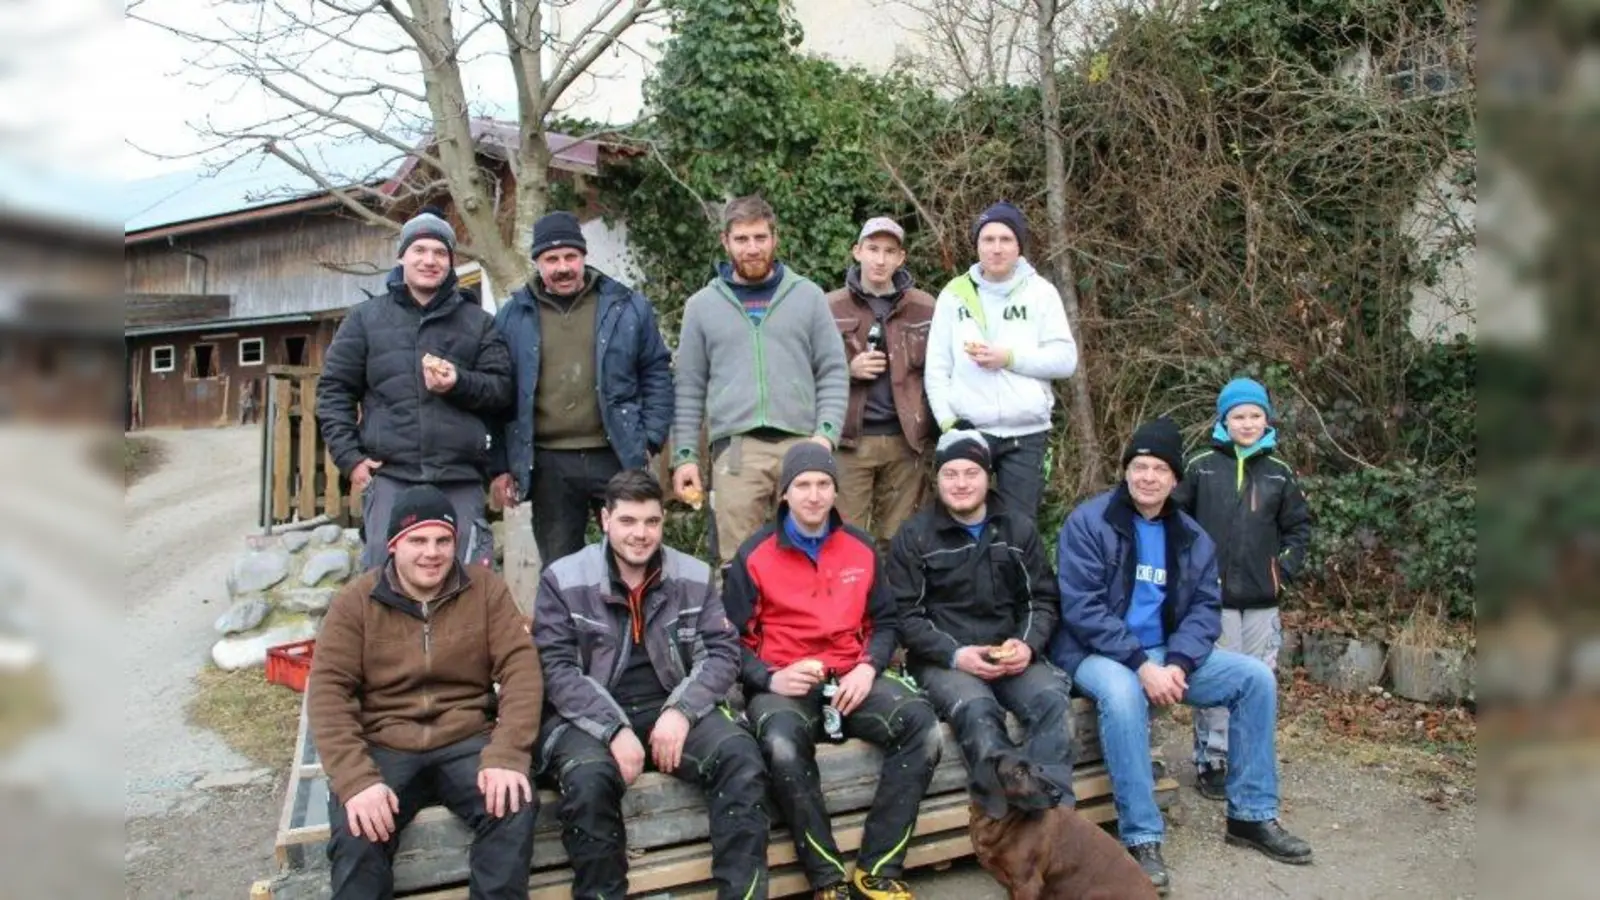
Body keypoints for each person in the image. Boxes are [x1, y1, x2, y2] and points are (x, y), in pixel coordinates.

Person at [1049, 418, 1313, 895]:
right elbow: (1082, 608)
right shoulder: (1089, 523)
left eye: (1159, 469)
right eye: (1139, 467)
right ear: (1126, 471)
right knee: (1124, 694)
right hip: (1096, 651)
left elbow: (1204, 611)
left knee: (1255, 679)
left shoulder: (1192, 536)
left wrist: (1177, 664)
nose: (1148, 477)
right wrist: (1142, 665)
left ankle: (1251, 815)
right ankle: (1142, 837)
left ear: (1175, 479)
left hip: (1166, 653)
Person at [531, 469, 767, 898]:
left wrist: (681, 712)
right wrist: (613, 729)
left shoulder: (693, 576)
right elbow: (556, 670)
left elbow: (722, 653)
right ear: (605, 520)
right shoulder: (563, 580)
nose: (640, 534)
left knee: (739, 755)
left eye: (651, 522)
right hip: (590, 716)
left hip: (671, 706)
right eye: (628, 521)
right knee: (587, 779)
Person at [722, 442, 942, 900]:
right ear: (784, 493)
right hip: (785, 683)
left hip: (851, 678)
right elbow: (728, 642)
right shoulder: (754, 555)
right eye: (802, 484)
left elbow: (886, 622)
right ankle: (827, 879)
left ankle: (877, 869)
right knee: (781, 745)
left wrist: (868, 668)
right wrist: (769, 678)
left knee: (922, 727)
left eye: (824, 484)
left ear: (836, 491)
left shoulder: (860, 547)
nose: (814, 495)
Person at [307, 485, 542, 899]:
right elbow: (328, 692)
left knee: (512, 804)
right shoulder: (355, 602)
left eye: (442, 541)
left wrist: (507, 754)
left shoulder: (485, 589)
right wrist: (356, 779)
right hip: (387, 742)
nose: (432, 553)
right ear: (393, 545)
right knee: (358, 830)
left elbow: (521, 669)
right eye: (418, 540)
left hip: (465, 737)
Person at [885, 428, 1075, 813]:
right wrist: (956, 655)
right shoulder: (915, 536)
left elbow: (1041, 599)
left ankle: (1053, 817)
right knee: (977, 710)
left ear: (988, 477)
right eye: (950, 474)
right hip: (945, 661)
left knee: (1051, 700)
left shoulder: (1017, 528)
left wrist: (1027, 645)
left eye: (971, 473)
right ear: (937, 479)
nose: (961, 484)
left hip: (1011, 653)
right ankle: (1006, 818)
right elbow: (906, 616)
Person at [317, 206, 513, 569]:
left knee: (468, 581)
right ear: (401, 256)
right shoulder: (364, 319)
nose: (429, 260)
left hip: (460, 476)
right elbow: (334, 392)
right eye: (419, 250)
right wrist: (350, 458)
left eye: (440, 253)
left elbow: (502, 391)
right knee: (384, 579)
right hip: (391, 475)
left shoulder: (479, 323)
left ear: (451, 262)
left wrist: (459, 382)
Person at [671, 195, 849, 567]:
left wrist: (825, 434)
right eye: (741, 239)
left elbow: (833, 370)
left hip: (803, 443)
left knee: (811, 551)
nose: (752, 248)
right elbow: (688, 387)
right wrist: (685, 456)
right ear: (725, 242)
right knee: (739, 560)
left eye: (760, 237)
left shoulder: (808, 296)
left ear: (774, 238)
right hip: (737, 450)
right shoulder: (701, 306)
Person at [489, 210, 675, 565]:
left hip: (616, 454)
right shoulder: (512, 317)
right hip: (548, 463)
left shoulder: (626, 306)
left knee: (634, 557)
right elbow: (499, 393)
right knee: (561, 569)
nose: (563, 267)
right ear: (537, 262)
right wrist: (500, 464)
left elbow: (656, 372)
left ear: (583, 256)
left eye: (570, 256)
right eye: (551, 259)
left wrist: (650, 437)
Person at [1174, 378, 1312, 801]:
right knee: (1217, 678)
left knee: (1258, 680)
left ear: (1266, 420)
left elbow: (1299, 529)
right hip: (1211, 601)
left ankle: (1248, 757)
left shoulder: (1280, 472)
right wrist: (1187, 571)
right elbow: (1175, 522)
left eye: (1255, 415)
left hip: (1261, 600)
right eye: (1239, 416)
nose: (1248, 423)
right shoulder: (1200, 466)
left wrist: (1281, 572)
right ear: (1224, 420)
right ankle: (1213, 758)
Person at [923, 201, 1078, 521]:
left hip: (1027, 433)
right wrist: (949, 424)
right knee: (961, 524)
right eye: (988, 239)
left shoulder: (1041, 292)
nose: (996, 248)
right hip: (969, 431)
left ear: (1019, 245)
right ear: (977, 245)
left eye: (1006, 239)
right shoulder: (953, 294)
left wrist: (1009, 358)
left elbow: (1065, 360)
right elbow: (936, 368)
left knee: (1019, 528)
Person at [826, 216, 937, 546]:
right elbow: (806, 370)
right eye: (873, 249)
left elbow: (940, 371)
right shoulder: (829, 306)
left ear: (901, 258)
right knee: (846, 540)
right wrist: (848, 370)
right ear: (857, 251)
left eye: (889, 252)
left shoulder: (925, 307)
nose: (880, 259)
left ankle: (896, 585)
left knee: (902, 541)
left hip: (906, 442)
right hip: (849, 441)